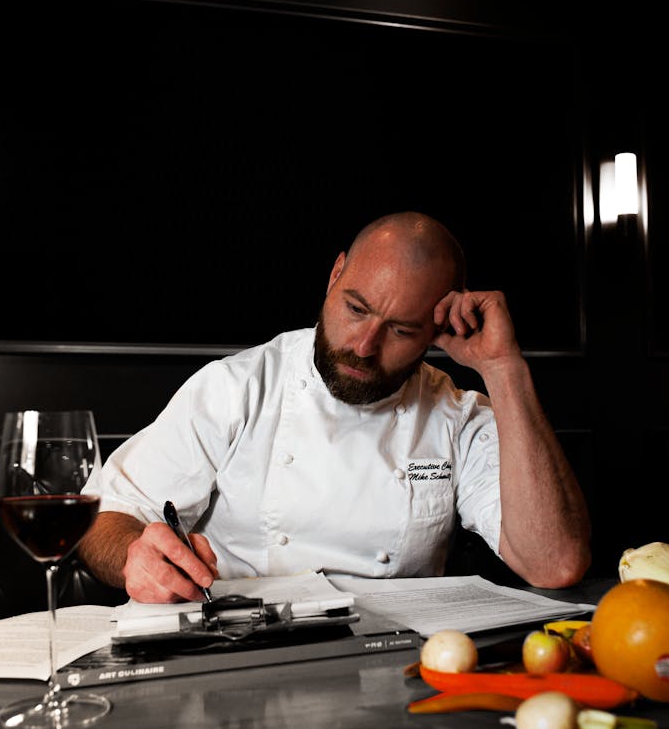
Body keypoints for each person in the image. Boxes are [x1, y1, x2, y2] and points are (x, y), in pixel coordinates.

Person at [78, 211, 591, 602]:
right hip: (243, 654)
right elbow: (108, 516)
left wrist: (504, 368)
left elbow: (555, 563)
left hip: (394, 665)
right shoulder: (238, 388)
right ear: (334, 275)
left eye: (401, 330)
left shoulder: (456, 416)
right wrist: (135, 556)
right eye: (356, 308)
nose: (364, 346)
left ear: (437, 330)